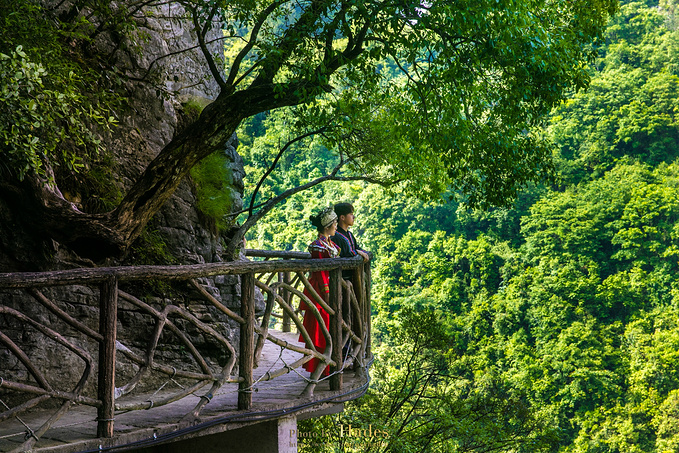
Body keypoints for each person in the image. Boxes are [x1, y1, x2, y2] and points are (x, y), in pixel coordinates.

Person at [299, 206, 340, 376]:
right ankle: (318, 368)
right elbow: (320, 272)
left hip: (329, 285)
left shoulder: (329, 244)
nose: (336, 226)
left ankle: (326, 366)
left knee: (327, 326)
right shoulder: (318, 247)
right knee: (319, 326)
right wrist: (326, 291)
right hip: (319, 288)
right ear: (327, 226)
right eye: (335, 223)